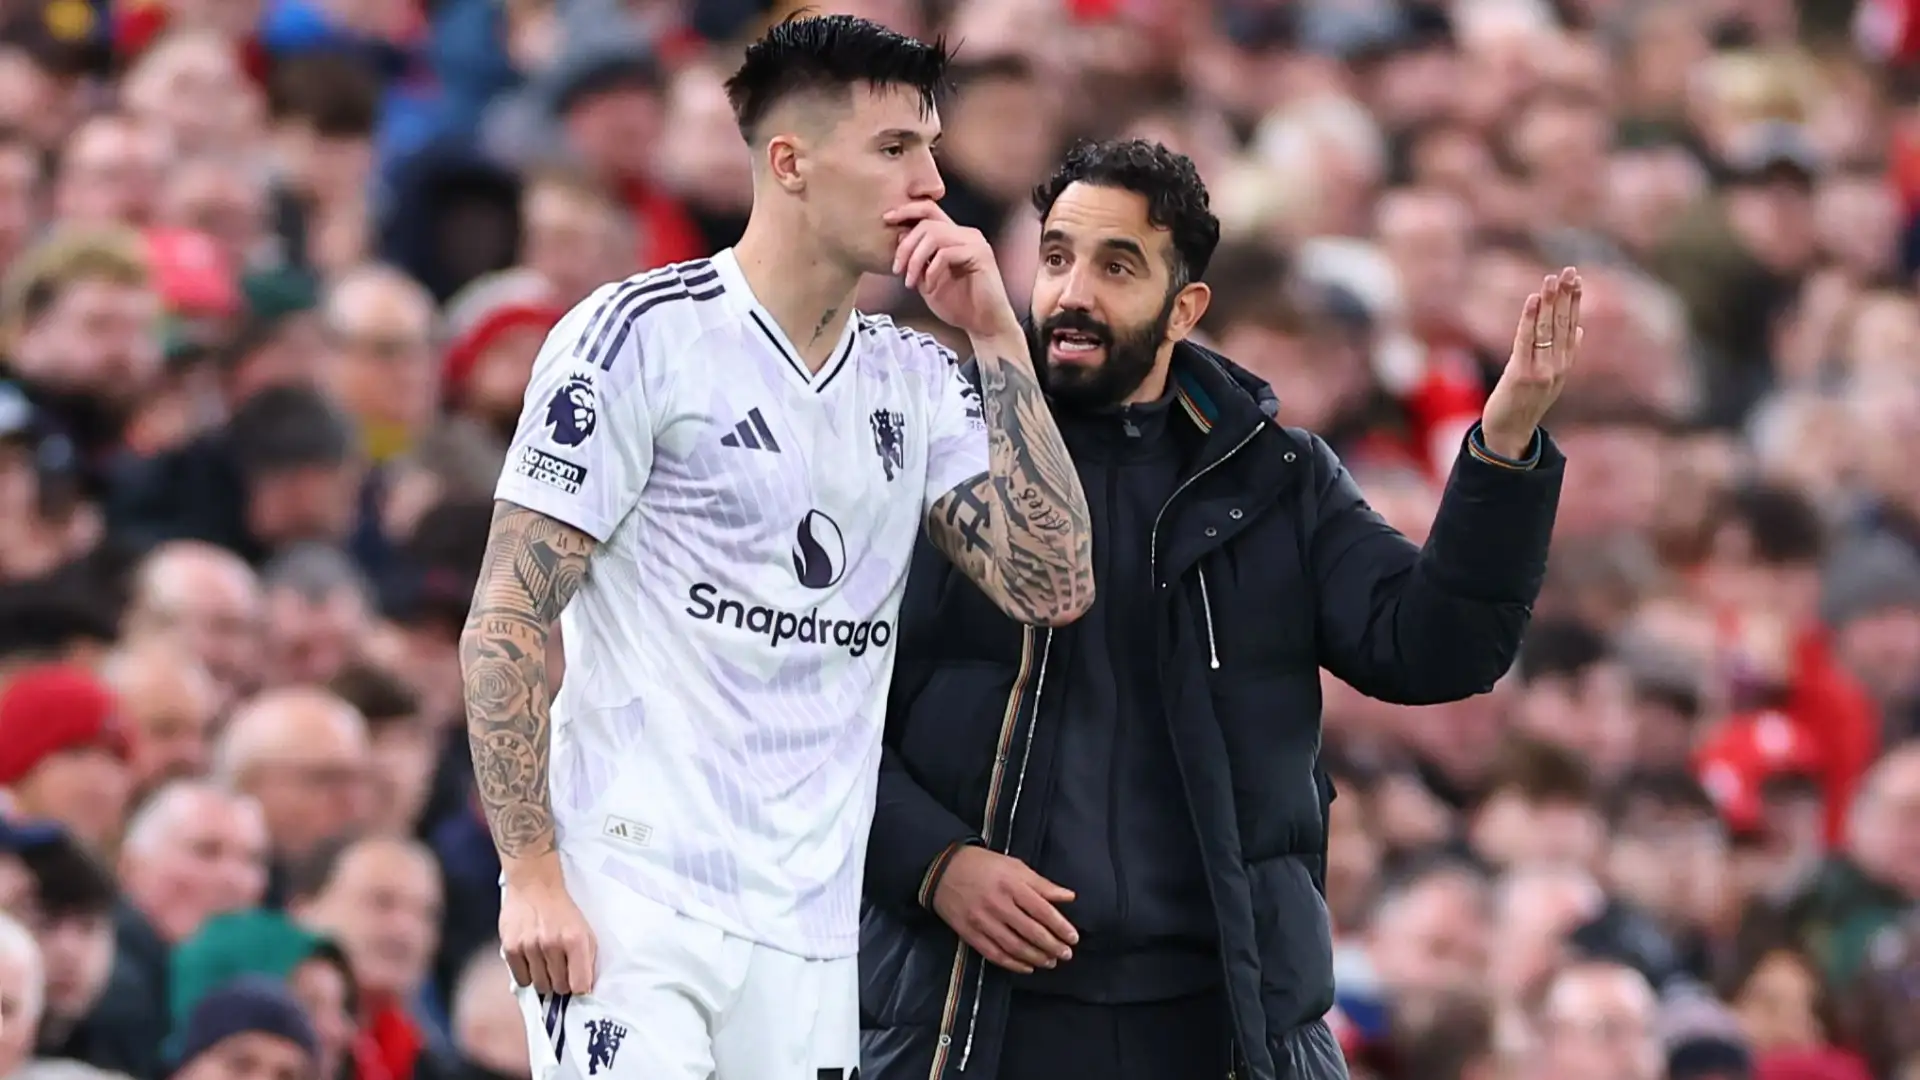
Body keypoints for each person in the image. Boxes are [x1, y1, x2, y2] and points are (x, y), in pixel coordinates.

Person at [460, 14, 1094, 1080]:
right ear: (789, 163)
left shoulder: (915, 374)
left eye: (931, 148)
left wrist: (996, 337)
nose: (932, 182)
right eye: (895, 149)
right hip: (634, 897)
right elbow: (509, 614)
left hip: (808, 925)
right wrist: (530, 871)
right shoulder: (639, 339)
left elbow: (1053, 580)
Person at [858, 140, 1575, 1080]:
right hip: (977, 1013)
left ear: (1184, 306)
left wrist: (1507, 440)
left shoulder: (1276, 477)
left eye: (1117, 266)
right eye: (1060, 255)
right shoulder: (937, 447)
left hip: (1221, 1022)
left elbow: (1436, 647)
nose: (1072, 292)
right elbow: (814, 705)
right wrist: (935, 862)